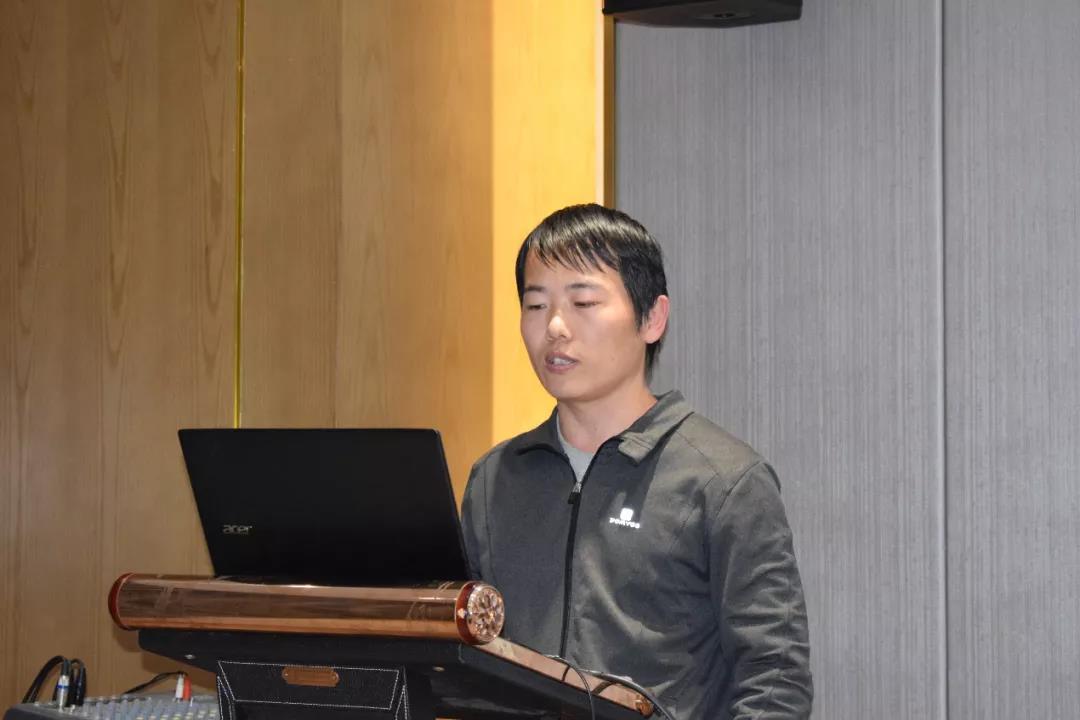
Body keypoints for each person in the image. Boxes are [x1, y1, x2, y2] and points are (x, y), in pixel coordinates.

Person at [461, 203, 812, 719]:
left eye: (583, 301)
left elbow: (775, 681)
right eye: (535, 305)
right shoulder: (496, 478)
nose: (555, 326)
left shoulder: (723, 480)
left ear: (652, 318)